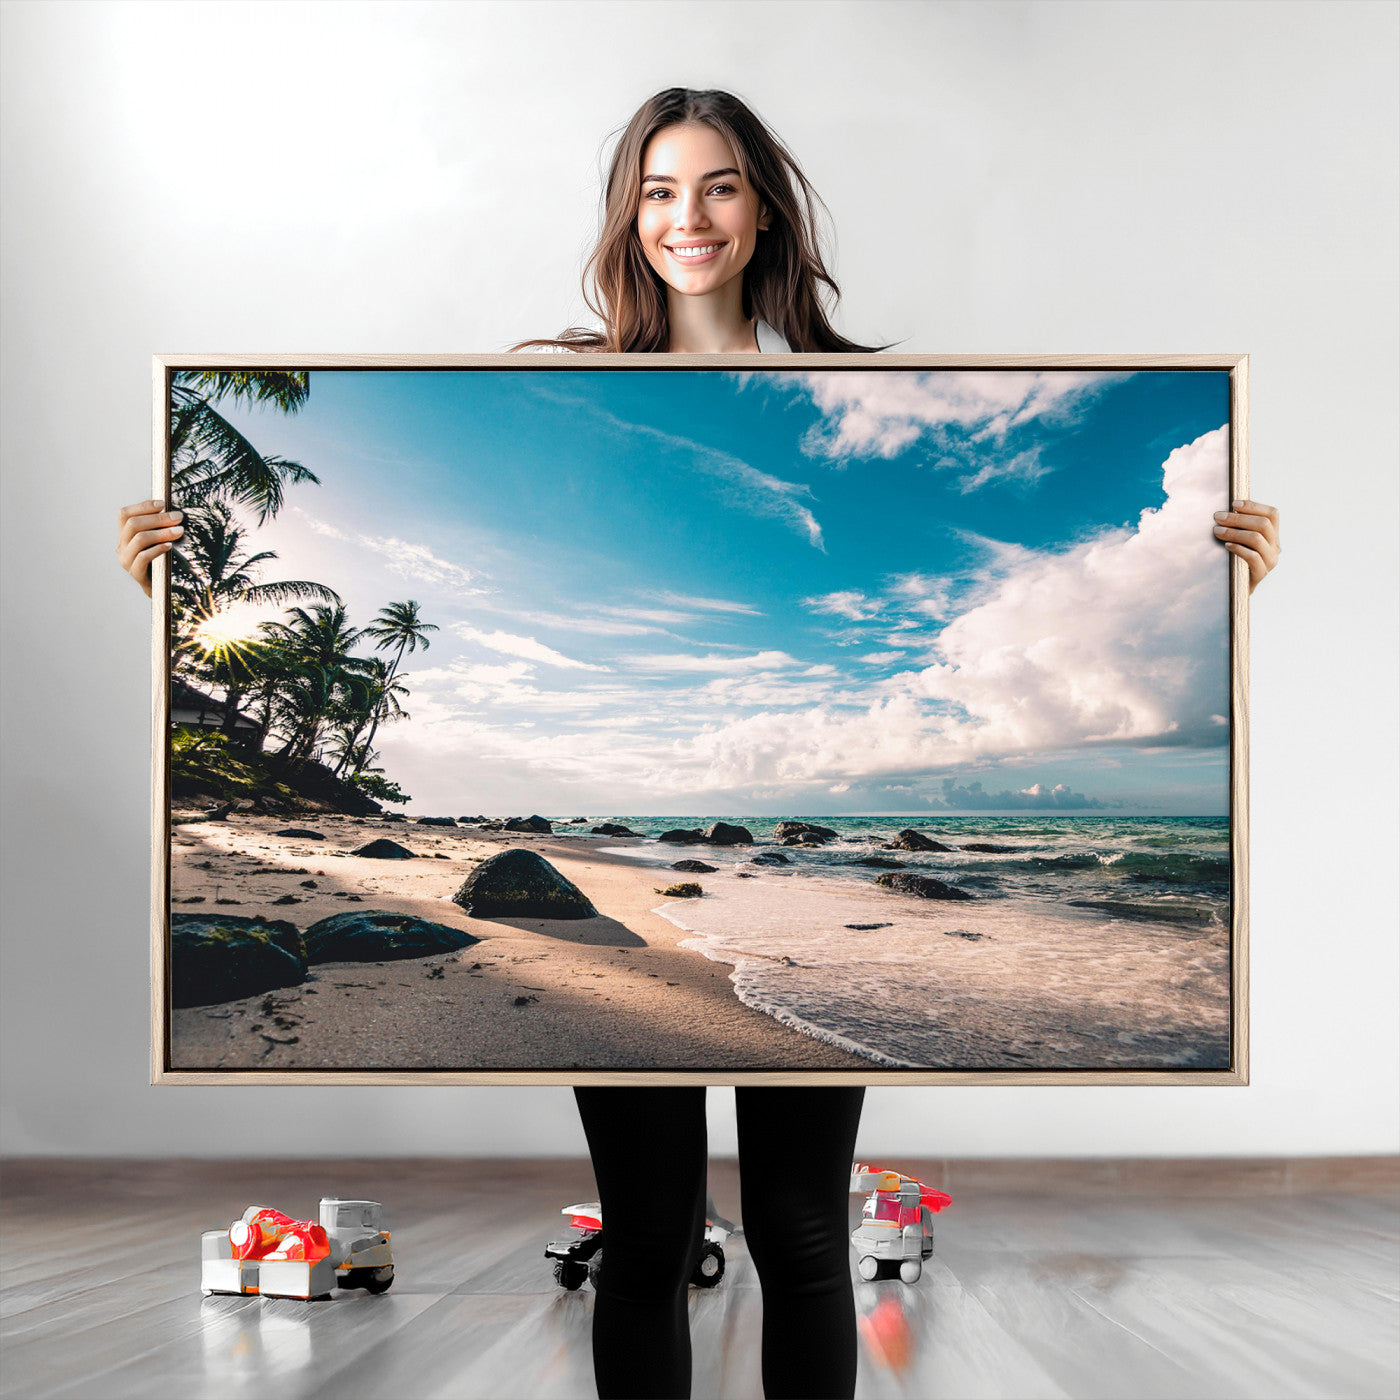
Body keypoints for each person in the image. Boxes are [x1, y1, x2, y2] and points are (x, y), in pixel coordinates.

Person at [116, 87, 1281, 1399]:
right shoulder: (563, 387)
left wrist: (1216, 575)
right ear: (630, 213)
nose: (691, 217)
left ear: (763, 204)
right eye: (661, 189)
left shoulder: (848, 386)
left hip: (791, 932)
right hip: (759, 931)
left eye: (719, 185)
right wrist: (163, 581)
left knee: (801, 1235)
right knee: (649, 1240)